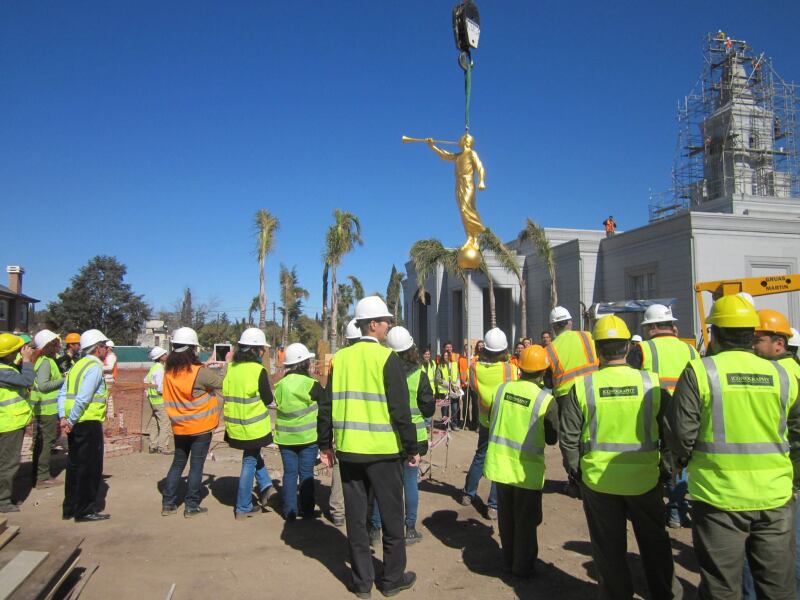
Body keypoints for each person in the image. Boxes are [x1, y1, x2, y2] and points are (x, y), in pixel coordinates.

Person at [665, 296, 800, 599]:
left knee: (722, 587)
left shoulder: (701, 371)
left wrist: (684, 460)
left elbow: (680, 434)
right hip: (775, 497)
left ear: (715, 333)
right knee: (778, 588)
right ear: (752, 334)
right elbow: (797, 431)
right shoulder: (783, 374)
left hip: (718, 498)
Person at [560, 316, 681, 599]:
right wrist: (665, 468)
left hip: (599, 483)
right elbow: (673, 431)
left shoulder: (583, 387)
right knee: (655, 545)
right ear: (628, 347)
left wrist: (578, 474)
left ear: (597, 350)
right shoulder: (651, 385)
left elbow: (568, 439)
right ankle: (665, 594)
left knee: (608, 551)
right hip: (645, 480)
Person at [318, 296, 418, 598]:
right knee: (391, 519)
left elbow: (326, 406)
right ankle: (391, 580)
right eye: (386, 321)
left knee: (357, 520)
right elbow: (401, 411)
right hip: (384, 454)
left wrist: (326, 444)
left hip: (349, 453)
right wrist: (412, 447)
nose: (389, 326)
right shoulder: (388, 359)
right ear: (373, 324)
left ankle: (362, 583)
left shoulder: (341, 360)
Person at [741, 309, 800, 599]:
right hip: (779, 480)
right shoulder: (786, 371)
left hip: (782, 483)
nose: (752, 345)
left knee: (776, 558)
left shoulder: (784, 374)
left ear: (779, 343)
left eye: (757, 339)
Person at [485, 345, 557, 578]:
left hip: (501, 467)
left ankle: (508, 562)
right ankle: (522, 567)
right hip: (527, 471)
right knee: (526, 521)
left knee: (507, 519)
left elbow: (491, 418)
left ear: (520, 367)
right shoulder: (545, 400)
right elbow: (552, 436)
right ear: (543, 372)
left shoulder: (502, 390)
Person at [628, 303, 699, 529]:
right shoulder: (690, 350)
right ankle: (677, 512)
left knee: (653, 459)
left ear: (654, 327)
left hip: (653, 410)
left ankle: (654, 507)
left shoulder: (643, 349)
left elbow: (631, 380)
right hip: (683, 413)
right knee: (679, 461)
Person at [369, 327, 435, 545]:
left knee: (382, 485)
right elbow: (428, 409)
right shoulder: (420, 376)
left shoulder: (381, 372)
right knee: (410, 483)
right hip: (414, 439)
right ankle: (410, 528)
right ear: (411, 349)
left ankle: (376, 530)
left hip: (388, 437)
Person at [161, 327, 224, 518]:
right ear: (192, 349)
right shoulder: (199, 372)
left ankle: (168, 503)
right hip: (200, 427)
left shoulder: (169, 372)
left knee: (178, 463)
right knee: (196, 467)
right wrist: (224, 364)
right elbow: (221, 382)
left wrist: (205, 364)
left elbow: (189, 380)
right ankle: (191, 505)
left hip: (180, 427)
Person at [462, 328, 518, 520]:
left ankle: (468, 493)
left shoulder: (474, 369)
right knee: (500, 459)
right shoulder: (509, 369)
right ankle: (493, 505)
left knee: (480, 455)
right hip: (502, 420)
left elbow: (473, 386)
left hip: (485, 420)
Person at [57, 329, 112, 522]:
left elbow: (63, 393)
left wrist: (64, 416)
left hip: (75, 422)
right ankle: (85, 510)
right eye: (105, 346)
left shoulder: (77, 365)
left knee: (74, 465)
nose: (107, 350)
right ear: (98, 349)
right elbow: (83, 397)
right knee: (89, 467)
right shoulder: (94, 367)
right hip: (87, 422)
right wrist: (71, 420)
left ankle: (70, 507)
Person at [222, 328, 276, 520]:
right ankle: (243, 506)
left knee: (253, 455)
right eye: (261, 349)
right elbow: (268, 398)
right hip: (253, 427)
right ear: (255, 350)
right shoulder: (258, 370)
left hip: (235, 426)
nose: (263, 353)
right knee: (250, 461)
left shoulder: (232, 369)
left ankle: (267, 487)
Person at [275, 342, 323, 521]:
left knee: (289, 474)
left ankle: (290, 511)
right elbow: (324, 403)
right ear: (305, 363)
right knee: (306, 473)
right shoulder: (311, 384)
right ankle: (308, 510)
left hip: (285, 439)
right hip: (308, 438)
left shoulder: (280, 385)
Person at [326, 318, 362, 527]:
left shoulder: (338, 359)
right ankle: (361, 512)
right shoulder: (376, 356)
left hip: (342, 420)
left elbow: (330, 394)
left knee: (341, 466)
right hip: (368, 423)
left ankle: (338, 511)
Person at [0, 334, 34, 512]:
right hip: (8, 424)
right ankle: (3, 501)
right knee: (8, 463)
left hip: (8, 422)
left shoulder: (7, 367)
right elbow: (27, 380)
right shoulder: (3, 371)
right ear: (8, 354)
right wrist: (27, 361)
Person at [31, 329, 64, 488]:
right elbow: (44, 386)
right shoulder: (45, 362)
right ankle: (43, 477)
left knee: (42, 441)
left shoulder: (46, 360)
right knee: (46, 442)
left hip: (45, 408)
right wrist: (64, 380)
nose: (59, 346)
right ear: (49, 345)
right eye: (56, 343)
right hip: (47, 409)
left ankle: (37, 474)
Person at [144, 347, 172, 454]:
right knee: (165, 423)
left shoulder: (153, 368)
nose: (167, 356)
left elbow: (145, 381)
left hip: (153, 401)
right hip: (160, 401)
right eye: (165, 354)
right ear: (160, 357)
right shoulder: (160, 369)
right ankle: (163, 447)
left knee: (155, 423)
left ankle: (153, 445)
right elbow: (160, 388)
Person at [436, 345, 461, 428]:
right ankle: (446, 425)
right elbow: (438, 378)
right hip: (444, 391)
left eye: (447, 355)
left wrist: (457, 385)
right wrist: (448, 384)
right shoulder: (440, 366)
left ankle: (454, 424)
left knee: (454, 408)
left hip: (454, 390)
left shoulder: (454, 364)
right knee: (445, 409)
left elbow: (457, 376)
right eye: (445, 355)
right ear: (443, 356)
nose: (446, 357)